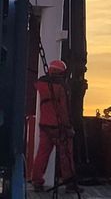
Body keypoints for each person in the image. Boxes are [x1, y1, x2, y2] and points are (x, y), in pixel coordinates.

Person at [32, 60, 82, 193]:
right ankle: (70, 184)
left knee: (42, 154)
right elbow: (65, 110)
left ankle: (37, 182)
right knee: (66, 155)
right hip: (59, 128)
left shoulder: (41, 84)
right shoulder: (62, 87)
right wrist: (68, 127)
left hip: (44, 125)